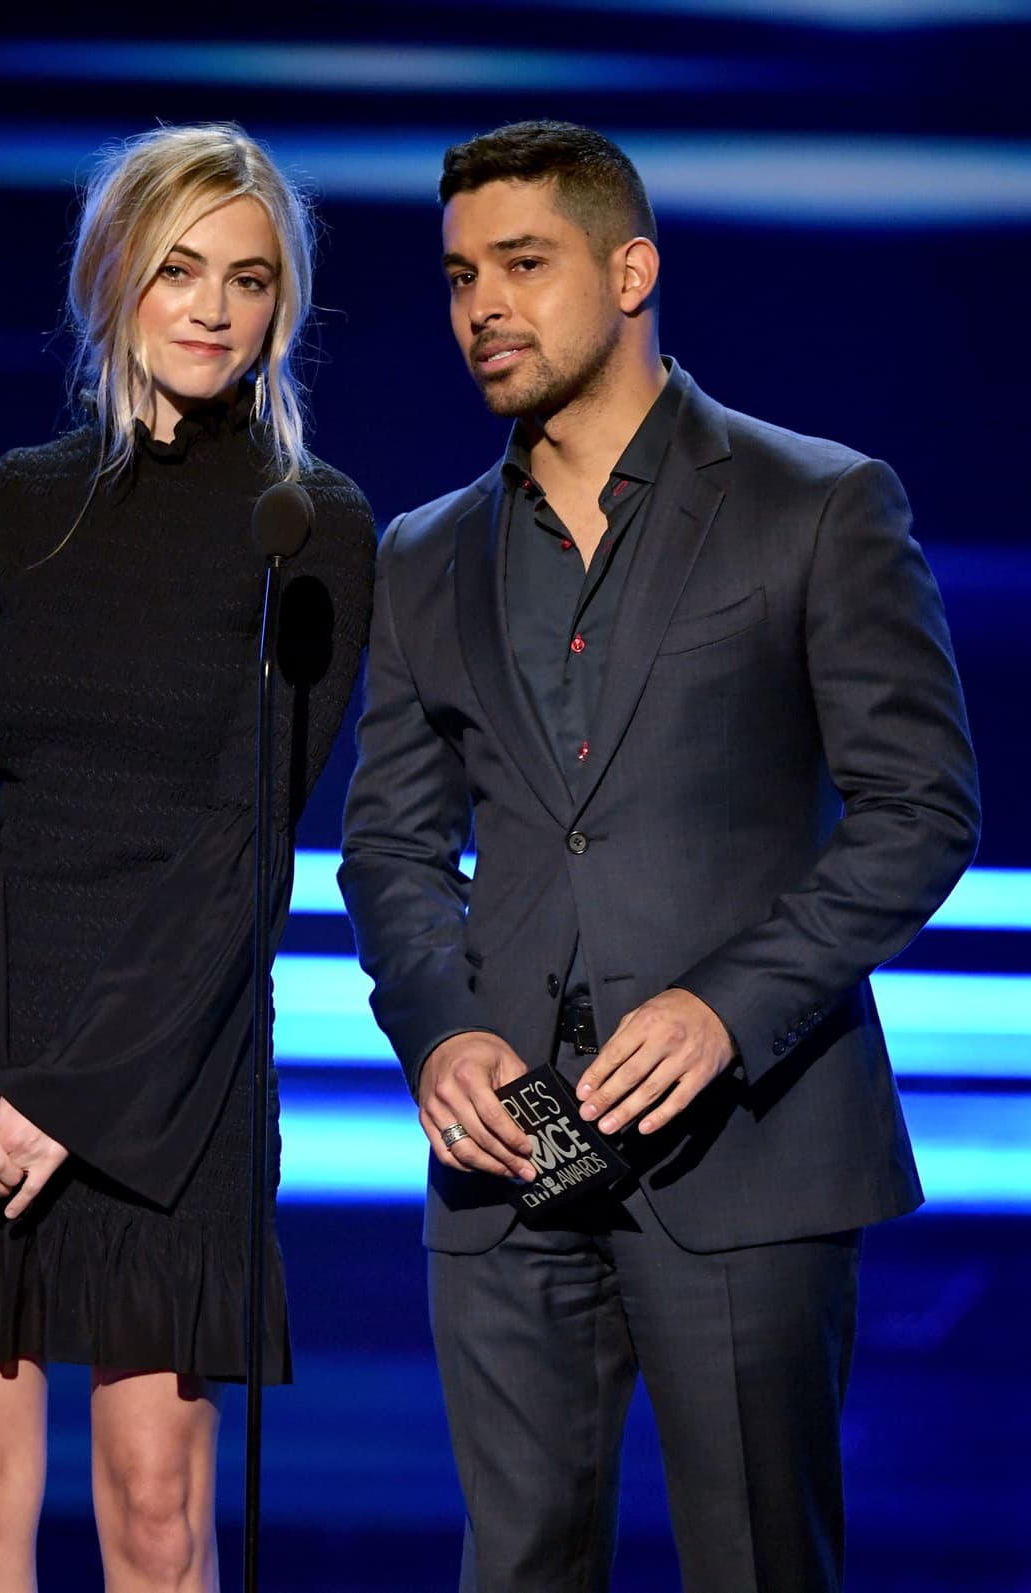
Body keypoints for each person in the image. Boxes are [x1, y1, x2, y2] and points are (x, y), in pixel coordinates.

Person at [339, 120, 979, 1593]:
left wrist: (725, 1008)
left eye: (523, 263)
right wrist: (440, 1031)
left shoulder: (816, 502)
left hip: (746, 1144)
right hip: (508, 1156)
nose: (483, 306)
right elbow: (389, 845)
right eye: (459, 276)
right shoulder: (425, 553)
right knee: (516, 1570)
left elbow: (921, 808)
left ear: (630, 272)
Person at [0, 123, 375, 1593]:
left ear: (282, 305)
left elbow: (241, 849)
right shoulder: (8, 508)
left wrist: (69, 1104)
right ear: (111, 277)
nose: (214, 308)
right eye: (180, 270)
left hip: (169, 1079)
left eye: (249, 279)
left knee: (155, 1520)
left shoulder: (310, 528)